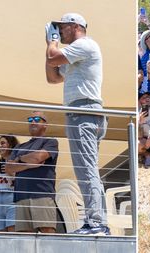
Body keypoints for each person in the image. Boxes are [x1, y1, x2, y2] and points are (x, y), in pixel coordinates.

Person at [45, 13, 110, 235]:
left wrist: (51, 43)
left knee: (86, 169)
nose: (59, 31)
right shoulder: (75, 54)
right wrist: (50, 48)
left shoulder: (84, 45)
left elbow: (53, 58)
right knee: (89, 169)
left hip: (83, 112)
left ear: (74, 26)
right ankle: (98, 221)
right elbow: (52, 78)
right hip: (83, 113)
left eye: (61, 27)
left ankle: (96, 223)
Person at [5, 111, 59, 233]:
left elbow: (37, 158)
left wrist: (20, 159)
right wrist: (29, 164)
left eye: (36, 119)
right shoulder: (19, 147)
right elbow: (8, 168)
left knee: (47, 233)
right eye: (30, 120)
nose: (32, 122)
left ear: (45, 124)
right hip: (21, 196)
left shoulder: (50, 142)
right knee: (24, 238)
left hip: (42, 194)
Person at [0, 135, 19, 232]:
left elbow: (25, 182)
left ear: (10, 145)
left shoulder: (19, 163)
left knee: (13, 234)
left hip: (13, 200)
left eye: (2, 143)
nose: (0, 146)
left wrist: (13, 172)